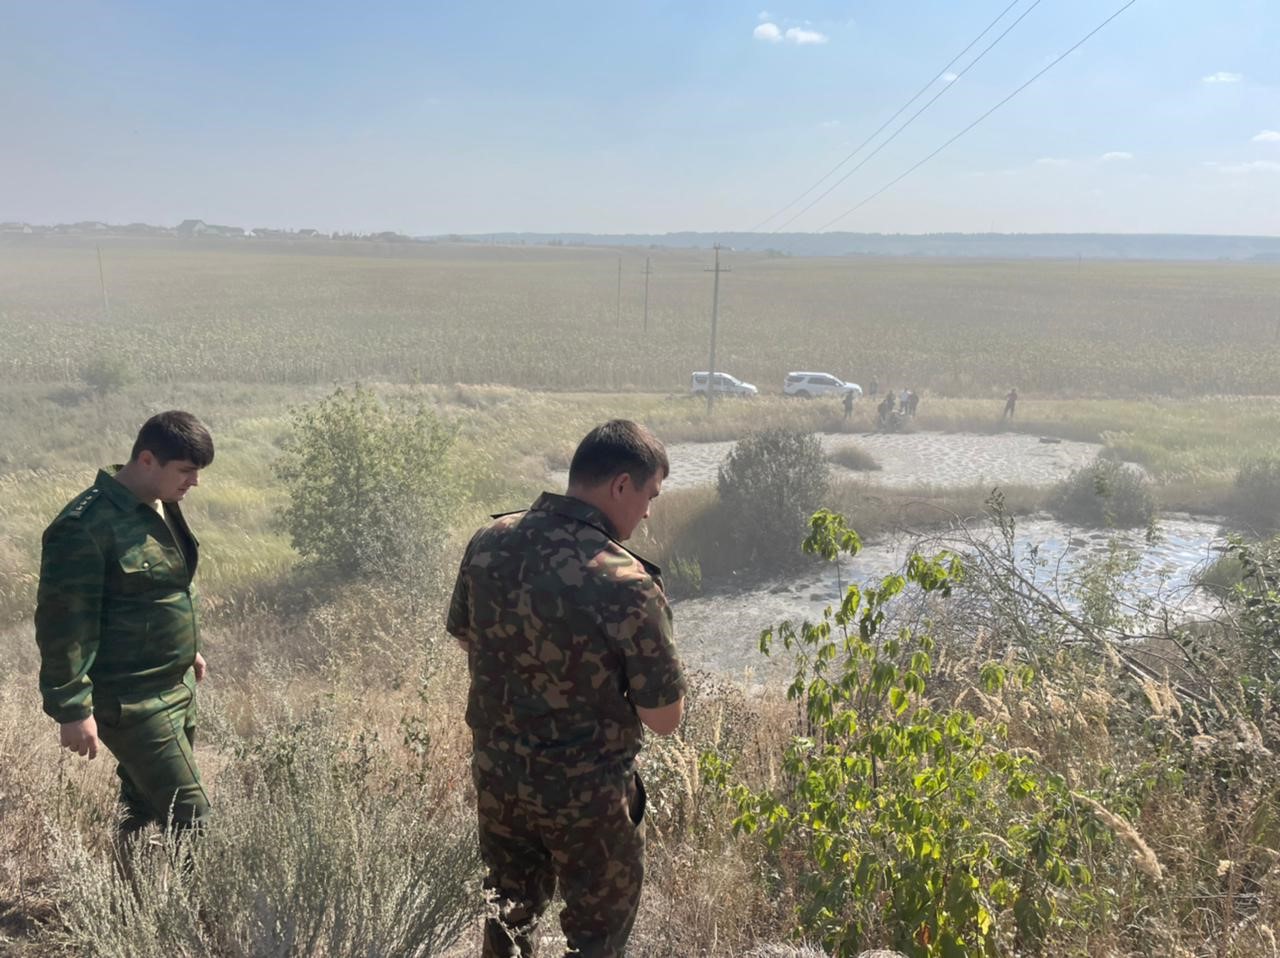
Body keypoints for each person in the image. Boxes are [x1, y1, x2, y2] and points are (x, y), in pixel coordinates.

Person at [447, 419, 687, 958]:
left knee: (507, 923)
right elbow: (664, 717)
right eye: (648, 495)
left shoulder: (489, 542)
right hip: (588, 796)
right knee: (595, 941)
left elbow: (469, 639)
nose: (648, 511)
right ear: (621, 486)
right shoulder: (626, 581)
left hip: (500, 780)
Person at [35, 411, 214, 842]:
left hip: (174, 686)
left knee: (146, 805)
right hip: (132, 701)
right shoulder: (84, 526)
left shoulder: (162, 504)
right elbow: (65, 623)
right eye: (186, 471)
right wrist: (72, 708)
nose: (195, 482)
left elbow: (159, 589)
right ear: (148, 460)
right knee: (194, 817)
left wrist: (185, 647)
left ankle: (131, 889)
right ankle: (189, 910)